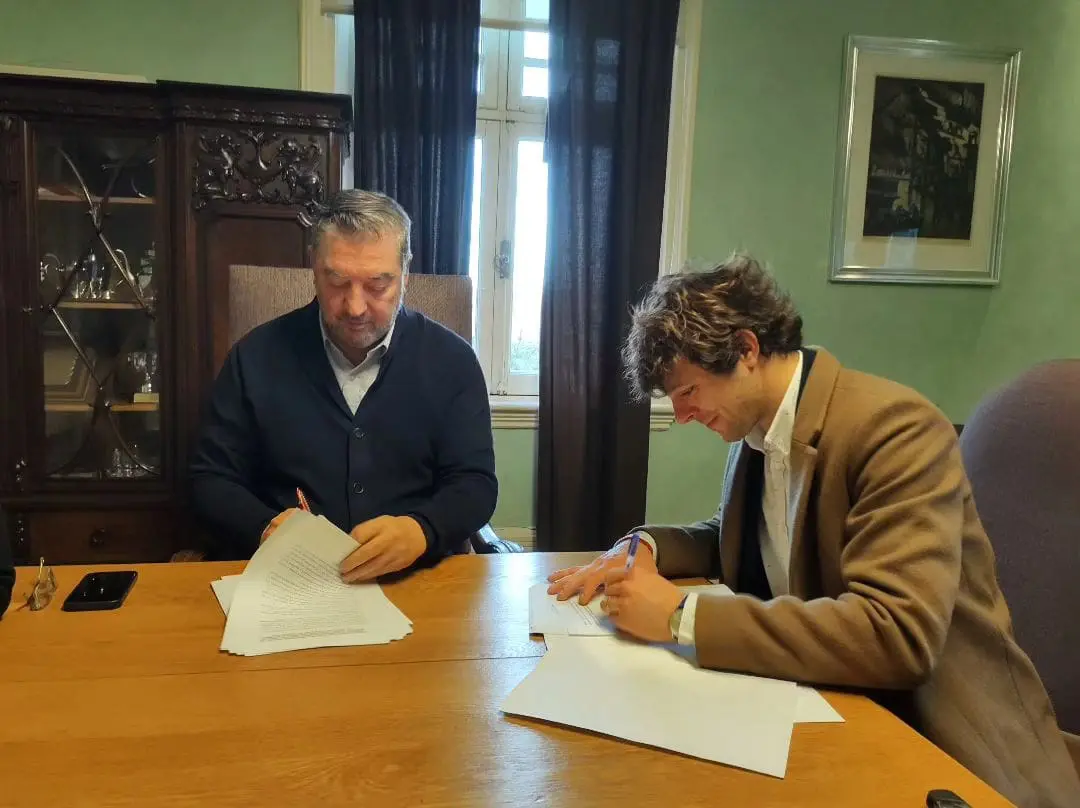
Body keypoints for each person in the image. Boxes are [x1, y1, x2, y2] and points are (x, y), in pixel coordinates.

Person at [547, 255, 1080, 808]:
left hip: (942, 745)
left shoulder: (894, 428)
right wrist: (644, 546)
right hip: (835, 702)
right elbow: (744, 541)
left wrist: (681, 616)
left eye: (688, 392)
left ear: (746, 350)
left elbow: (897, 636)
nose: (682, 416)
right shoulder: (758, 431)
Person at [190, 189, 497, 581]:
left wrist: (422, 529)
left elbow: (475, 484)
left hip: (415, 579)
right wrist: (263, 525)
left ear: (405, 272)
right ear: (314, 268)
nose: (355, 308)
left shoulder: (453, 361)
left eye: (377, 285)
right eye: (336, 281)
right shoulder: (253, 357)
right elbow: (210, 479)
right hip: (287, 580)